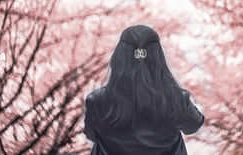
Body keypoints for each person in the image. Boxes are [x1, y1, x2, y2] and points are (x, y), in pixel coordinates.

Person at [83, 25, 204, 155]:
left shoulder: (96, 101)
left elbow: (91, 135)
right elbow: (193, 126)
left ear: (118, 58)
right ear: (159, 59)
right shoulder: (177, 99)